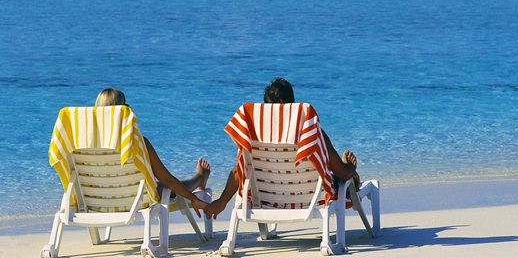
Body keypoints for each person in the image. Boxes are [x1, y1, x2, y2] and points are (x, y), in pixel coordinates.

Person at [203, 77, 360, 219]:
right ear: (293, 104)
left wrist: (222, 201)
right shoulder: (310, 130)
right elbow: (341, 172)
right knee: (341, 176)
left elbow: (239, 171)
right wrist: (351, 168)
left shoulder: (254, 135)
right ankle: (355, 176)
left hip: (268, 199)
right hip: (312, 199)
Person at [95, 88, 210, 217]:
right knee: (166, 186)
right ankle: (200, 178)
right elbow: (167, 180)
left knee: (162, 185)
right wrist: (193, 198)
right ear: (123, 111)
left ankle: (200, 178)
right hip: (138, 200)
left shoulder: (86, 147)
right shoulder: (138, 143)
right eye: (126, 107)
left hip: (99, 201)